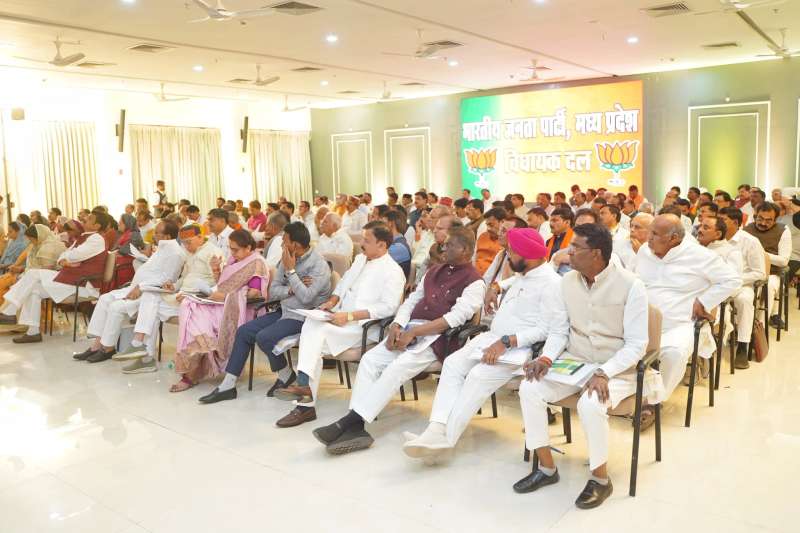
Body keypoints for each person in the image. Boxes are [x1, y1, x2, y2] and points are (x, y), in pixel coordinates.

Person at [311, 227, 485, 454]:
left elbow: (454, 319)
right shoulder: (434, 270)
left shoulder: (475, 282)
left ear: (465, 249)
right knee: (370, 360)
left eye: (449, 245)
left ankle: (350, 422)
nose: (443, 248)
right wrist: (397, 325)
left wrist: (415, 332)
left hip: (438, 339)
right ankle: (357, 427)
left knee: (397, 368)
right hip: (408, 331)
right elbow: (412, 301)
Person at [514, 223, 648, 509]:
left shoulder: (631, 285)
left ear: (596, 253)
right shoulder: (566, 282)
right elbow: (559, 330)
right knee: (529, 387)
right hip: (576, 361)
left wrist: (604, 372)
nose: (568, 251)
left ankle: (600, 479)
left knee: (591, 402)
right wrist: (546, 358)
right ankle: (546, 468)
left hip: (615, 366)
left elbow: (637, 345)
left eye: (576, 247)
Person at [403, 228, 559, 459]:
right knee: (452, 364)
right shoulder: (526, 273)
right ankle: (434, 430)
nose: (508, 256)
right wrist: (496, 287)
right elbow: (515, 280)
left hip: (517, 349)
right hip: (493, 338)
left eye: (512, 252)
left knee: (477, 375)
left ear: (528, 255)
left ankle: (446, 439)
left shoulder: (552, 283)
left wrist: (506, 342)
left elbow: (546, 329)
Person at [275, 222, 406, 426]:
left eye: (366, 240)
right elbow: (343, 284)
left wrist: (350, 316)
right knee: (311, 326)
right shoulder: (361, 259)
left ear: (382, 245)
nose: (361, 244)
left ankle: (304, 402)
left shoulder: (393, 271)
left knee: (312, 340)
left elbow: (389, 308)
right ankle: (304, 397)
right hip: (339, 318)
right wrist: (331, 302)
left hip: (362, 327)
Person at [198, 222, 332, 409]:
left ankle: (285, 375)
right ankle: (228, 386)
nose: (282, 245)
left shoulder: (319, 265)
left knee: (264, 337)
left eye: (284, 241)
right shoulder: (286, 258)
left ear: (295, 245)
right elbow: (274, 291)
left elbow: (307, 298)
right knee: (244, 332)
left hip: (304, 316)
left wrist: (291, 272)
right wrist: (292, 288)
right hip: (283, 310)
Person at [635, 215, 739, 425]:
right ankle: (621, 394)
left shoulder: (700, 255)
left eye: (654, 234)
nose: (648, 237)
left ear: (673, 238)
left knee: (674, 353)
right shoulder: (645, 251)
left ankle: (653, 402)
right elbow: (635, 279)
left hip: (680, 323)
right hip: (640, 320)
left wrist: (705, 300)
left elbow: (732, 280)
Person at [170, 230, 270, 392]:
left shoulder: (256, 263)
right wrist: (216, 271)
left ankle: (191, 371)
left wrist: (225, 297)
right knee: (189, 305)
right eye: (230, 249)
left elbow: (255, 293)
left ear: (248, 247)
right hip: (220, 301)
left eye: (236, 249)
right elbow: (223, 284)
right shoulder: (234, 259)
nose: (232, 253)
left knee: (196, 314)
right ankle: (196, 359)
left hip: (239, 308)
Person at [72, 221, 184, 365]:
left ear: (167, 236)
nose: (154, 235)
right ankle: (96, 345)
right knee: (104, 299)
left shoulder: (175, 253)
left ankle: (108, 348)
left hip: (150, 294)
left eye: (157, 233)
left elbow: (167, 281)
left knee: (116, 307)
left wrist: (141, 287)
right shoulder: (163, 248)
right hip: (136, 288)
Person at [0, 212, 112, 343]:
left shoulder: (97, 239)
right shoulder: (85, 237)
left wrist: (67, 258)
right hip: (71, 279)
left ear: (97, 225)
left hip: (84, 285)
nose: (85, 218)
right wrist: (63, 260)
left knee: (33, 274)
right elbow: (64, 254)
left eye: (90, 218)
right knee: (34, 289)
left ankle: (9, 312)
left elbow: (75, 255)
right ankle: (33, 332)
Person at [718, 207, 767, 369]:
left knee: (745, 300)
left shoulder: (750, 241)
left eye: (723, 219)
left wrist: (735, 280)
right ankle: (711, 344)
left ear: (735, 222)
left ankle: (743, 346)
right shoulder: (716, 238)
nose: (718, 222)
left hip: (743, 284)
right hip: (718, 284)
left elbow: (760, 273)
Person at [743, 202, 790, 329]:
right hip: (749, 271)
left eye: (769, 220)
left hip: (773, 273)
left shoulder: (783, 231)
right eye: (760, 219)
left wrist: (761, 254)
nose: (763, 223)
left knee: (768, 286)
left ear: (775, 220)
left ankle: (760, 327)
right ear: (755, 216)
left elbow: (784, 261)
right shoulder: (746, 230)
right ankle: (740, 326)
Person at [0, 224, 64, 305]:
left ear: (39, 237)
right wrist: (20, 269)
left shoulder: (48, 248)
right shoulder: (37, 245)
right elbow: (33, 266)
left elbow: (45, 272)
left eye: (31, 239)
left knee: (10, 287)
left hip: (46, 280)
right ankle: (8, 309)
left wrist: (21, 272)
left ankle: (10, 309)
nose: (30, 242)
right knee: (5, 284)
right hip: (32, 275)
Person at [474, 207, 505, 275]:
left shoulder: (507, 241)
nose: (488, 228)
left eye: (491, 225)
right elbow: (474, 258)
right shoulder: (483, 236)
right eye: (487, 225)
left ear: (502, 222)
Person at [381, 211, 412, 277]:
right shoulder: (391, 242)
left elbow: (374, 258)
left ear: (390, 224)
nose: (379, 227)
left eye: (382, 223)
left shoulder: (400, 247)